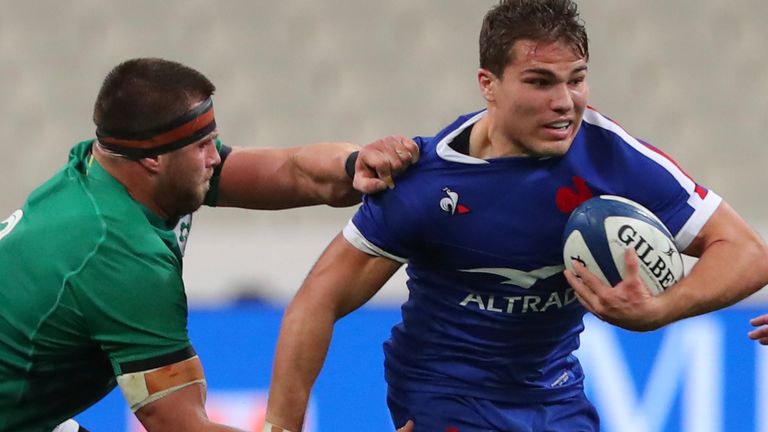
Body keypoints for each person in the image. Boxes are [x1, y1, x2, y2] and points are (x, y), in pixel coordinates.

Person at [263, 0, 768, 431]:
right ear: (489, 83)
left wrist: (662, 308)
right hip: (445, 394)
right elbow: (317, 300)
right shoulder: (424, 182)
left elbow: (747, 252)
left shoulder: (612, 158)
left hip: (557, 397)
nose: (564, 103)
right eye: (540, 82)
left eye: (577, 80)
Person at [0, 58, 418, 432]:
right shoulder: (118, 254)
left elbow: (295, 173)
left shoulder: (116, 166)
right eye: (202, 147)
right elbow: (182, 427)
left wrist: (355, 163)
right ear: (152, 159)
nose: (215, 159)